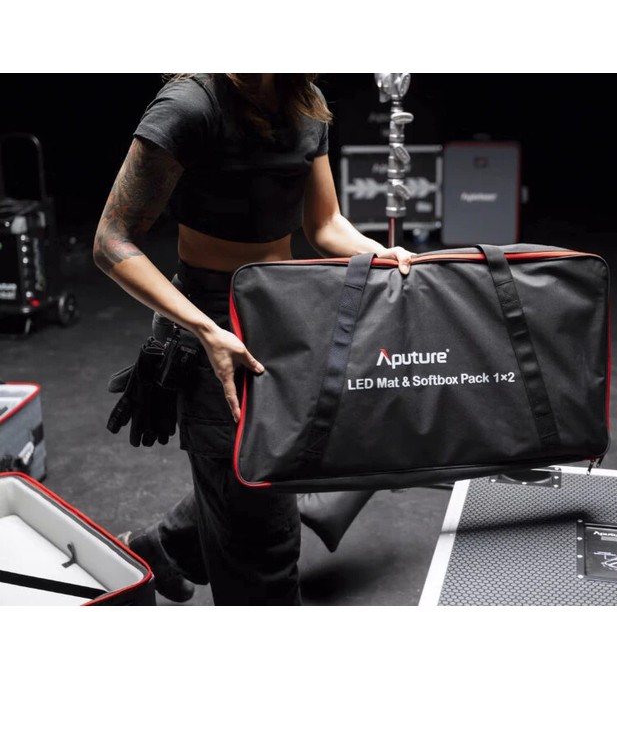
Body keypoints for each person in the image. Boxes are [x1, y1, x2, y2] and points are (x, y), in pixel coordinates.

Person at [94, 73, 413, 605]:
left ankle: (165, 548)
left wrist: (379, 253)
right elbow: (111, 240)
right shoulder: (190, 105)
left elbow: (324, 223)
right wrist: (204, 329)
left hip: (284, 312)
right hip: (210, 322)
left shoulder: (305, 99)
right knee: (265, 540)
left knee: (280, 467)